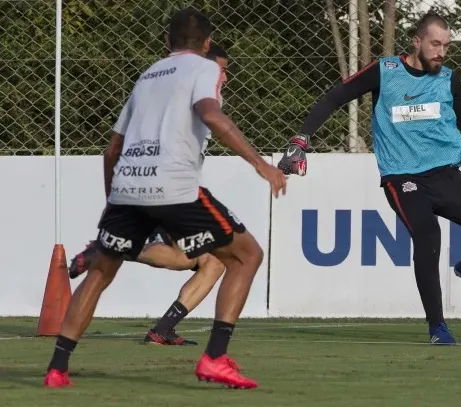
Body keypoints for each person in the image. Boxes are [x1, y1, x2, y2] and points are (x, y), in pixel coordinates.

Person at [44, 7, 286, 389]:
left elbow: (111, 152)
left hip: (127, 188)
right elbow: (210, 114)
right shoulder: (205, 68)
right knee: (246, 255)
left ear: (165, 41)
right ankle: (215, 358)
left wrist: (114, 202)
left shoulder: (148, 75)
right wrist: (261, 164)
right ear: (207, 43)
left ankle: (57, 368)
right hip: (174, 187)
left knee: (101, 273)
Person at [278, 12, 461, 345]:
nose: (441, 52)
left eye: (446, 45)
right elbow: (335, 96)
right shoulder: (385, 72)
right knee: (428, 235)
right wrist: (301, 140)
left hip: (445, 175)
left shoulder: (448, 78)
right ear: (417, 41)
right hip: (402, 178)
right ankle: (437, 327)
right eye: (435, 44)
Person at [67, 44, 232, 347]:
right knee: (220, 259)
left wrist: (114, 201)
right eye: (221, 70)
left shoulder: (156, 92)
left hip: (141, 187)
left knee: (194, 260)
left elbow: (113, 149)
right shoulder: (197, 102)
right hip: (168, 192)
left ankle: (159, 324)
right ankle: (116, 258)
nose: (225, 77)